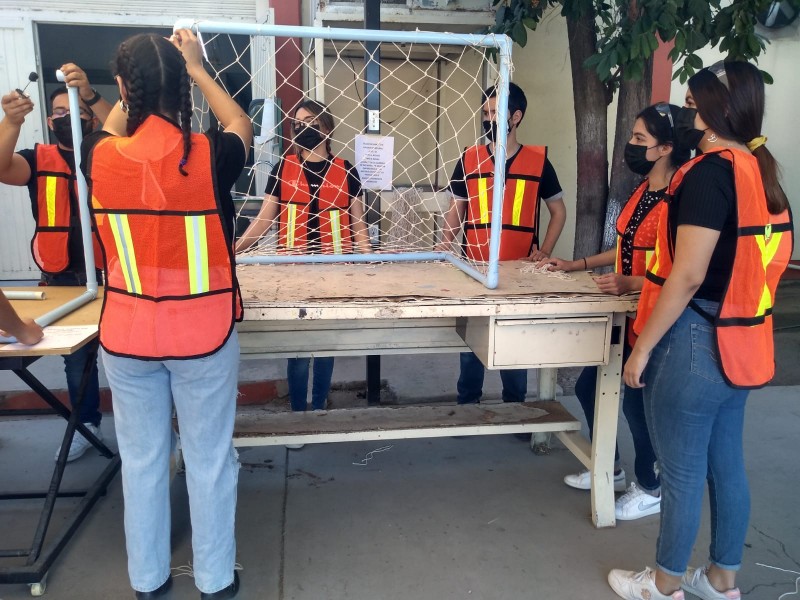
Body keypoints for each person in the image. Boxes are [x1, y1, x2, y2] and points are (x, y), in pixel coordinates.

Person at [608, 61, 792, 600]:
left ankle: (663, 585)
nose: (685, 112)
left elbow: (686, 276)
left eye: (690, 101)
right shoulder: (761, 172)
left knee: (682, 471)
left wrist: (642, 349)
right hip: (744, 338)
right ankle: (721, 580)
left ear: (713, 112)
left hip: (696, 341)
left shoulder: (712, 172)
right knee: (725, 467)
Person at [83, 30, 251, 599]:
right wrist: (199, 68)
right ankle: (215, 580)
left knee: (143, 461)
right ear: (182, 86)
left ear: (125, 89)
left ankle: (148, 580)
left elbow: (110, 133)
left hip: (127, 337)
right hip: (204, 335)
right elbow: (241, 127)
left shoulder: (100, 157)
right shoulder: (209, 157)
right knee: (209, 461)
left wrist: (127, 102)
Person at [541, 103, 688, 520]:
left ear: (666, 148)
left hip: (655, 313)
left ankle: (651, 485)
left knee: (637, 404)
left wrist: (634, 283)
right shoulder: (644, 190)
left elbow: (682, 270)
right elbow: (627, 247)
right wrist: (579, 264)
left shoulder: (680, 200)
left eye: (641, 140)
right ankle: (611, 467)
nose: (632, 146)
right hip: (623, 309)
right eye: (633, 138)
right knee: (590, 388)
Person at [0, 64, 112, 462]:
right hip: (61, 280)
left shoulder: (109, 152)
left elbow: (126, 128)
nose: (69, 120)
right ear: (49, 121)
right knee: (76, 362)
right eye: (60, 114)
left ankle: (141, 429)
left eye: (76, 112)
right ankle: (86, 426)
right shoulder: (36, 159)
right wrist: (10, 121)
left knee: (126, 358)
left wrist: (93, 96)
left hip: (114, 276)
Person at [236, 99, 370, 425]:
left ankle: (320, 409)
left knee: (325, 349)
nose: (302, 127)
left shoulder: (347, 170)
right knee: (297, 350)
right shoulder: (283, 167)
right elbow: (265, 219)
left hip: (334, 274)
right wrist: (235, 249)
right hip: (293, 275)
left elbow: (359, 227)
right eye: (297, 123)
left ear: (327, 126)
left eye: (310, 121)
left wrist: (371, 267)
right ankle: (298, 415)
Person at [439, 82, 567, 405]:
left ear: (517, 116)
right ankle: (467, 406)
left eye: (496, 112)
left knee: (515, 348)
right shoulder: (469, 159)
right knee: (471, 348)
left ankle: (517, 409)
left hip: (520, 274)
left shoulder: (538, 162)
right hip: (476, 271)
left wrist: (545, 250)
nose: (488, 118)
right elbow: (457, 210)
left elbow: (558, 211)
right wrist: (443, 247)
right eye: (485, 112)